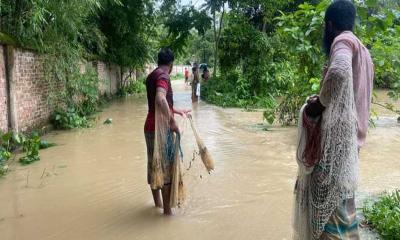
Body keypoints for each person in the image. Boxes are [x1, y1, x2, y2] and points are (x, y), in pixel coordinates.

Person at [293, 1, 374, 239]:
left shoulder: (343, 41)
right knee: (343, 213)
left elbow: (338, 71)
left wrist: (318, 105)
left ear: (329, 25)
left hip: (334, 150)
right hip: (350, 151)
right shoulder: (365, 53)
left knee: (326, 217)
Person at [144, 48, 190, 215]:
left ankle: (157, 205)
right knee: (166, 171)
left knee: (154, 166)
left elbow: (159, 104)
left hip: (149, 127)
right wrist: (172, 122)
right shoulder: (164, 76)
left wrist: (177, 111)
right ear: (171, 64)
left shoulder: (152, 75)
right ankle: (167, 214)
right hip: (161, 129)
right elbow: (160, 98)